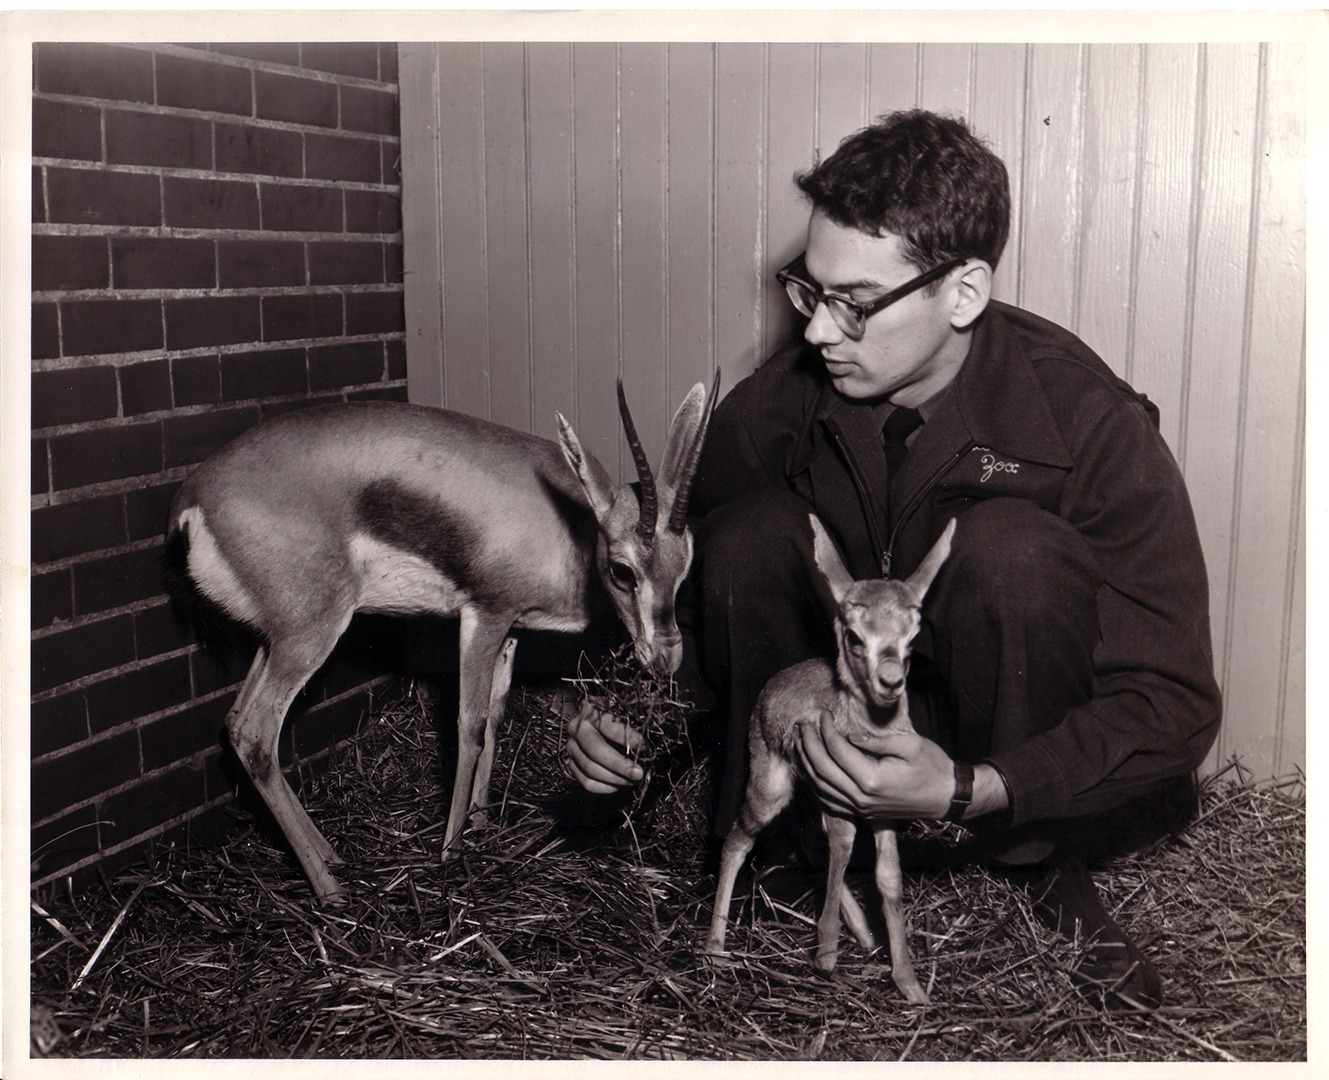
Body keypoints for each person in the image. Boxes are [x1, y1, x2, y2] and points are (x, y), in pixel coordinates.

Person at [564, 109, 1221, 1010]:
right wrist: (629, 708)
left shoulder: (1089, 424)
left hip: (995, 753)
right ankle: (790, 857)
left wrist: (972, 788)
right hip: (832, 715)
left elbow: (1173, 701)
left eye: (855, 304)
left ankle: (1038, 875)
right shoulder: (790, 395)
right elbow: (676, 564)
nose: (819, 334)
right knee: (752, 531)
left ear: (962, 293)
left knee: (1011, 550)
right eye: (809, 289)